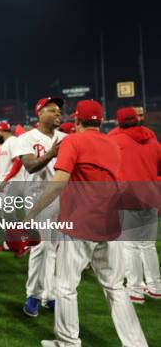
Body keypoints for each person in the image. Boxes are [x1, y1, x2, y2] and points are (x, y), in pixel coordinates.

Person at [24, 99, 149, 347]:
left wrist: (31, 214)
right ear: (101, 121)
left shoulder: (73, 140)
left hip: (79, 224)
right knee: (116, 288)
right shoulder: (113, 145)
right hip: (110, 225)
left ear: (77, 120)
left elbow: (59, 182)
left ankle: (69, 342)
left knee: (65, 287)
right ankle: (136, 344)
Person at [15, 97, 67, 317]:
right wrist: (50, 154)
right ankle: (33, 294)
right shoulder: (27, 138)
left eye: (59, 111)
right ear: (39, 113)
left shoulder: (66, 138)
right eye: (52, 110)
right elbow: (29, 166)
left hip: (63, 200)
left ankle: (51, 295)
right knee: (41, 247)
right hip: (37, 199)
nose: (58, 114)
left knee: (57, 250)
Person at [109, 107, 161, 303]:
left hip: (128, 198)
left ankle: (135, 290)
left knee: (130, 246)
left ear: (119, 121)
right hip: (150, 198)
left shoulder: (115, 141)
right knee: (148, 246)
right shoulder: (154, 142)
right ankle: (156, 287)